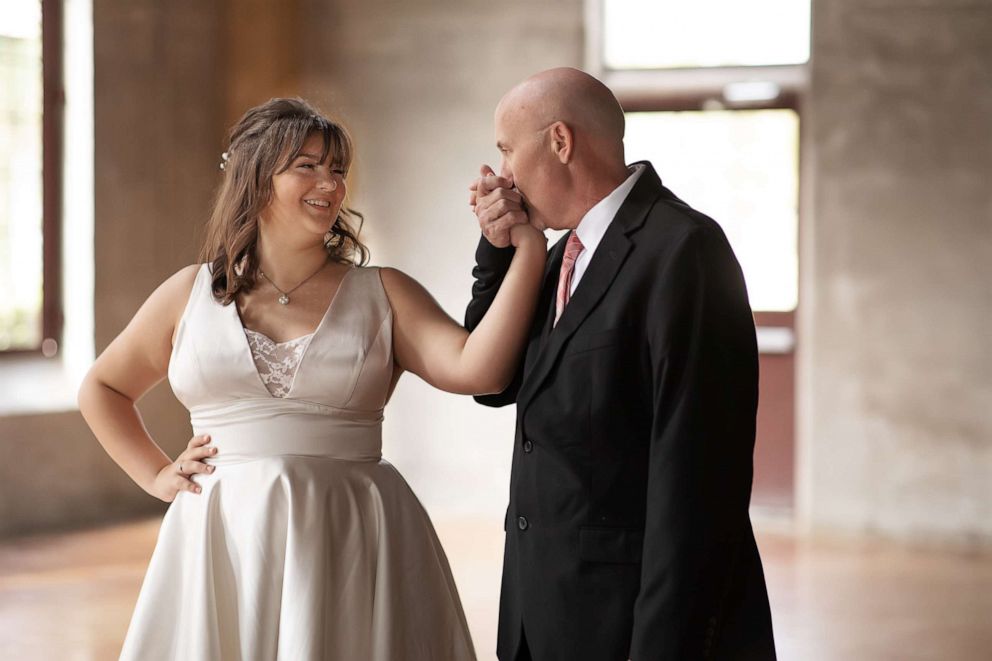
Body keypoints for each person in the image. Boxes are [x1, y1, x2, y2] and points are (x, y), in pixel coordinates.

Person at [78, 97, 547, 661]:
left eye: (337, 169)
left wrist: (527, 252)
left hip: (351, 533)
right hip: (220, 537)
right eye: (307, 165)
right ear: (256, 178)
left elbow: (480, 367)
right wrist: (155, 474)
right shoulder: (188, 292)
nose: (330, 182)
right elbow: (102, 388)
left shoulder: (385, 291)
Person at [465, 68, 776, 660]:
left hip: (629, 625)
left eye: (506, 150)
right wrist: (497, 252)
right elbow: (492, 380)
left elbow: (700, 486)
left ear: (560, 141)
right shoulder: (558, 257)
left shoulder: (685, 250)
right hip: (541, 615)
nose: (500, 176)